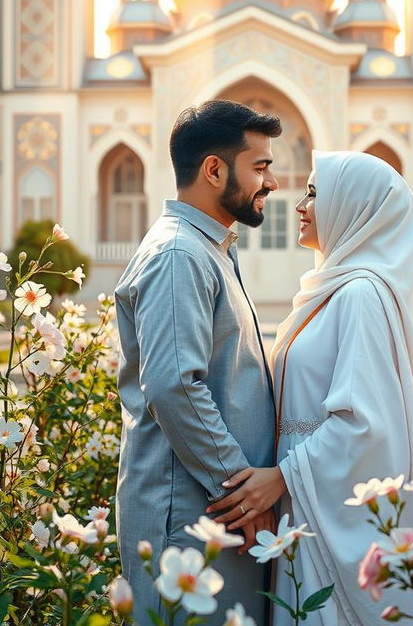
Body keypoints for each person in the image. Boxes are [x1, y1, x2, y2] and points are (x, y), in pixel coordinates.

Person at [208, 150, 413, 625]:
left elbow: (363, 420)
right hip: (308, 505)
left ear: (355, 206)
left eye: (314, 192)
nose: (299, 204)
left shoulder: (362, 295)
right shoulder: (335, 291)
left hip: (319, 503)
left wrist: (280, 477)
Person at [115, 99, 281, 625]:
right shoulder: (179, 255)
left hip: (213, 507)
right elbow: (173, 386)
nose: (271, 183)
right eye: (259, 166)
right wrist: (241, 489)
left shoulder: (209, 249)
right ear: (214, 169)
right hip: (191, 513)